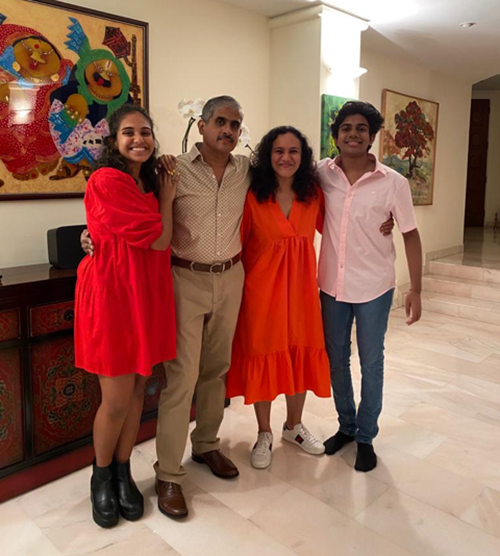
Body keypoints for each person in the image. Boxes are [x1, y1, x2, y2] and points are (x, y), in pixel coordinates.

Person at [74, 104, 177, 528]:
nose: (140, 139)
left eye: (147, 132)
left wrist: (162, 191)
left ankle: (122, 472)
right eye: (129, 133)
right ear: (114, 141)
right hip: (114, 295)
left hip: (145, 295)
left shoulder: (148, 183)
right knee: (115, 399)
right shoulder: (107, 180)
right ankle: (100, 477)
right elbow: (157, 239)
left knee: (138, 391)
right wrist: (168, 201)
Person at [318, 101, 422, 472]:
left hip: (375, 286)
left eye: (361, 128)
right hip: (331, 285)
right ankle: (346, 425)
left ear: (372, 136)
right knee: (336, 359)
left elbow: (410, 235)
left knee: (371, 362)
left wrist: (417, 289)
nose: (353, 134)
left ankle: (365, 436)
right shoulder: (321, 174)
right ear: (336, 136)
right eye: (346, 128)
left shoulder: (394, 183)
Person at [225, 126, 331, 469]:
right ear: (267, 156)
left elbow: (340, 226)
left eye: (294, 151)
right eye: (279, 151)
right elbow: (235, 242)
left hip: (301, 291)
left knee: (298, 353)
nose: (286, 158)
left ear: (303, 157)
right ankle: (264, 432)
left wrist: (384, 223)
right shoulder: (253, 195)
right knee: (265, 353)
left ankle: (294, 426)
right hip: (261, 292)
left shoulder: (313, 194)